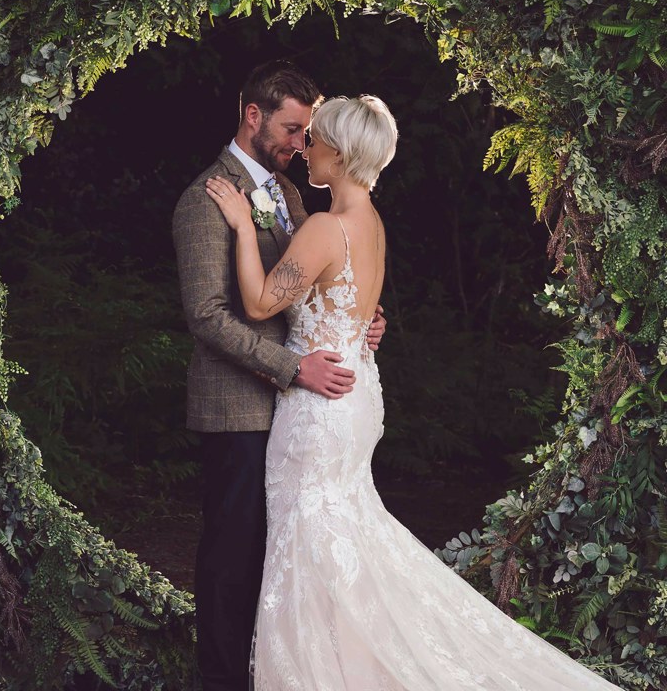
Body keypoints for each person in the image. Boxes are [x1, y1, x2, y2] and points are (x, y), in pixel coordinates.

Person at [206, 95, 621, 690]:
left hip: (321, 409)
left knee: (312, 546)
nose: (305, 149)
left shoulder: (326, 227)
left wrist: (244, 225)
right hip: (355, 395)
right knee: (343, 540)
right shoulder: (370, 222)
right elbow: (356, 311)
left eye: (316, 139)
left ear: (342, 153)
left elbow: (258, 303)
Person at [172, 61, 387, 691]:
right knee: (233, 557)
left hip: (304, 407)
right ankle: (223, 679)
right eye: (293, 130)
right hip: (240, 403)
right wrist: (295, 367)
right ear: (252, 115)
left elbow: (322, 283)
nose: (300, 143)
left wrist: (358, 325)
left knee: (286, 558)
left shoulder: (294, 197)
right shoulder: (205, 199)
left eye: (309, 134)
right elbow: (208, 318)